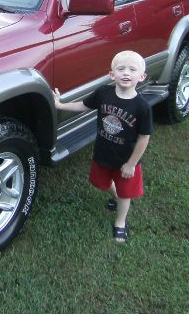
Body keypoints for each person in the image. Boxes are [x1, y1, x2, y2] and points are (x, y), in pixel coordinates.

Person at [53, 50, 152, 243]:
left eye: (132, 70)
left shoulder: (142, 107)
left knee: (126, 194)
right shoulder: (103, 93)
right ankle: (115, 196)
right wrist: (61, 105)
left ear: (141, 77)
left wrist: (132, 164)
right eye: (121, 68)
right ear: (111, 74)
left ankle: (120, 222)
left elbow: (143, 138)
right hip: (103, 154)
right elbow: (83, 105)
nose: (126, 73)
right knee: (102, 184)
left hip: (126, 161)